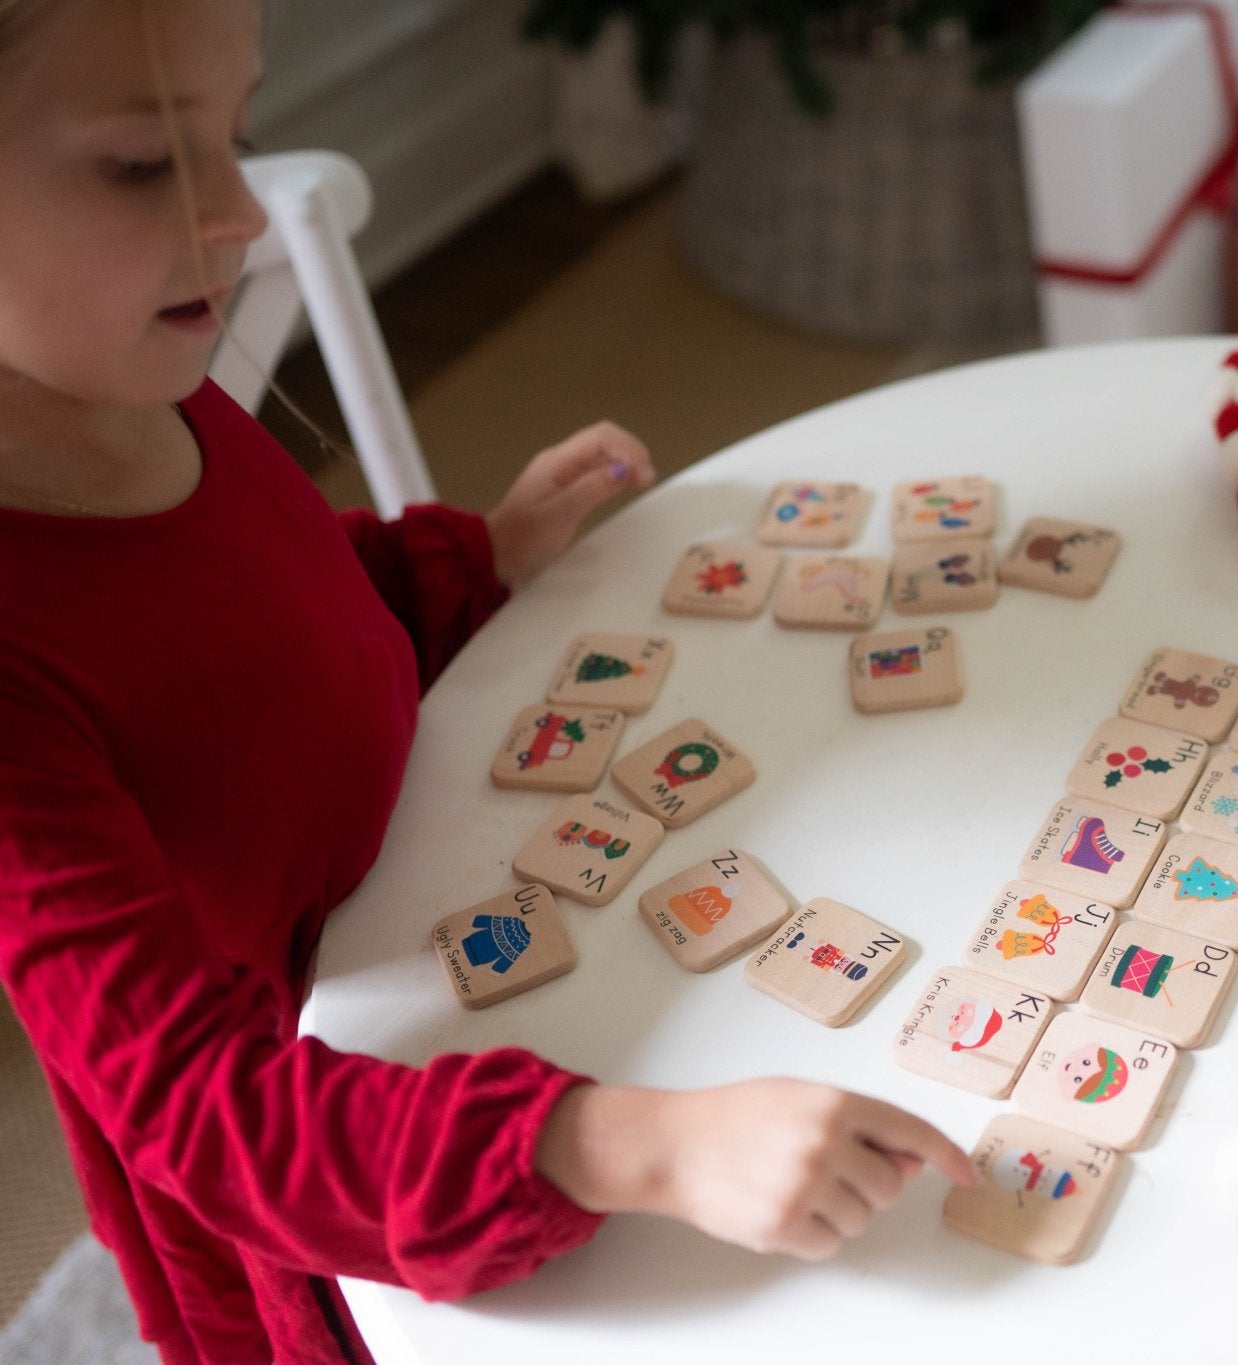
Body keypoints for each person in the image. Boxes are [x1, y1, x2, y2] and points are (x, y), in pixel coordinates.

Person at [0, 2, 976, 1361]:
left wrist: (455, 564)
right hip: (345, 1165)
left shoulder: (127, 366)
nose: (242, 215)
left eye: (240, 133)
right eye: (142, 165)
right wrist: (636, 1142)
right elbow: (205, 1110)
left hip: (456, 893)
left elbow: (243, 635)